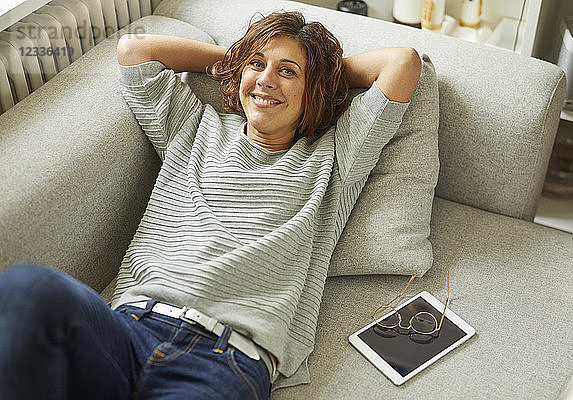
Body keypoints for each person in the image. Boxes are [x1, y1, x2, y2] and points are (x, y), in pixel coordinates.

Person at [0, 10, 421, 400]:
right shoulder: (195, 125)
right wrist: (240, 61)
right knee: (30, 287)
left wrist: (324, 74)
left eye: (287, 72)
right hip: (128, 329)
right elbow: (134, 50)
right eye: (258, 65)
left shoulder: (334, 159)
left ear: (316, 91)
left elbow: (402, 64)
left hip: (225, 360)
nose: (266, 80)